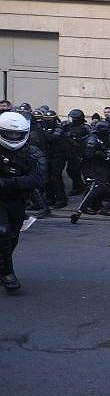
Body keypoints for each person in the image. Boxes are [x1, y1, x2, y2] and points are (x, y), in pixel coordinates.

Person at [0, 112, 46, 292]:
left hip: (18, 199)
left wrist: (9, 183)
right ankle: (8, 273)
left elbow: (39, 179)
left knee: (12, 235)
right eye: (9, 133)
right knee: (2, 231)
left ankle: (2, 267)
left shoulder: (32, 151)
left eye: (16, 134)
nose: (13, 137)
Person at [80, 120, 110, 215]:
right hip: (91, 168)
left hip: (99, 167)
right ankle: (85, 206)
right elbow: (89, 155)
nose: (109, 134)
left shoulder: (101, 139)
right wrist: (101, 154)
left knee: (103, 185)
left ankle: (96, 204)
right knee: (95, 186)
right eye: (107, 132)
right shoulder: (92, 140)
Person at [63, 108, 91, 195]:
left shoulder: (85, 128)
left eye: (72, 118)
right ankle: (79, 186)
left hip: (80, 153)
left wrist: (72, 139)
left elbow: (87, 140)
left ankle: (85, 188)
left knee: (84, 172)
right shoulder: (68, 127)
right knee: (71, 171)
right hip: (70, 153)